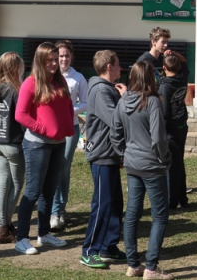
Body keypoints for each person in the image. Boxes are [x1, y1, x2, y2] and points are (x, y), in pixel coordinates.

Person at [111, 61, 173, 280]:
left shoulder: (123, 101)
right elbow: (158, 137)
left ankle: (133, 264)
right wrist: (165, 158)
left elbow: (115, 132)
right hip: (152, 166)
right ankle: (151, 268)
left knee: (132, 214)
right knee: (160, 217)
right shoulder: (153, 101)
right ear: (150, 78)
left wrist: (124, 153)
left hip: (132, 164)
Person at [13, 42, 75, 255]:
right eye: (49, 60)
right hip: (37, 144)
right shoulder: (30, 83)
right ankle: (21, 238)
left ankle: (44, 233)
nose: (54, 63)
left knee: (49, 191)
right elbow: (20, 114)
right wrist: (42, 128)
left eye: (56, 59)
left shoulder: (60, 81)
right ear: (39, 61)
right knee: (32, 191)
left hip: (58, 144)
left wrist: (67, 126)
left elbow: (67, 106)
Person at [80, 50, 127, 269]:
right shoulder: (101, 91)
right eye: (118, 64)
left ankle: (108, 246)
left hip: (111, 154)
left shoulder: (107, 90)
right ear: (109, 66)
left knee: (115, 203)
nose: (121, 68)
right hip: (101, 154)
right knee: (102, 204)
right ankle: (89, 250)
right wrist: (125, 99)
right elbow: (116, 121)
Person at [0, 51, 26, 245]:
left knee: (3, 185)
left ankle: (2, 226)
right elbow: (22, 116)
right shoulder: (16, 89)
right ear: (15, 68)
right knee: (16, 185)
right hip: (13, 143)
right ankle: (4, 227)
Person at [51, 39, 88, 231]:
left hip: (70, 128)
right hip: (50, 129)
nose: (63, 59)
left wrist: (69, 110)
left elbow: (85, 102)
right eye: (60, 56)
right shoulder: (50, 75)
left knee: (63, 168)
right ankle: (53, 210)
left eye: (66, 56)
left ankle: (59, 210)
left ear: (71, 57)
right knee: (54, 168)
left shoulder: (78, 78)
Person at [159, 54, 189, 209]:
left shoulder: (164, 86)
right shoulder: (182, 77)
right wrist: (174, 55)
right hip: (181, 127)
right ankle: (182, 197)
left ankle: (172, 201)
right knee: (179, 163)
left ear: (164, 68)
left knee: (172, 167)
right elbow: (184, 61)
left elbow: (164, 113)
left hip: (170, 130)